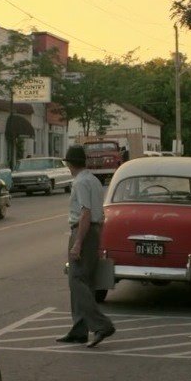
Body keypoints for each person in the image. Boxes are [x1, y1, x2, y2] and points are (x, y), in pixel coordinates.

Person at [57, 144, 116, 348]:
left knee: (76, 280)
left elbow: (85, 213)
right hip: (94, 230)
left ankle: (101, 325)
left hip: (83, 230)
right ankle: (79, 329)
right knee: (85, 280)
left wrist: (78, 243)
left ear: (70, 164)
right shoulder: (94, 180)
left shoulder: (80, 183)